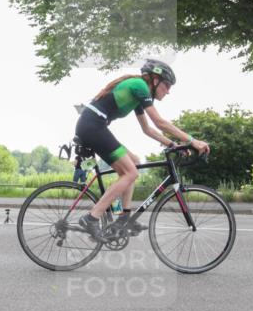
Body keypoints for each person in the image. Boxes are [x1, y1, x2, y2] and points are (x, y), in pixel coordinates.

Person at [74, 59, 210, 239]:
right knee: (130, 173)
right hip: (93, 126)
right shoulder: (140, 86)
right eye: (167, 85)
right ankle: (91, 218)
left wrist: (172, 144)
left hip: (95, 126)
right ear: (154, 79)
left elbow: (147, 129)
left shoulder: (139, 93)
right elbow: (159, 122)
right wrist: (193, 141)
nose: (168, 91)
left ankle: (123, 218)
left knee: (135, 162)